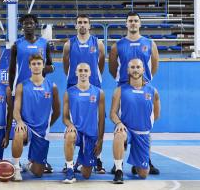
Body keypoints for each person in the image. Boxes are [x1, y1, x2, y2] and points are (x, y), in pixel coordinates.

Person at [109, 11, 160, 175]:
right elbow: (112, 68)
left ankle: (146, 160)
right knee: (122, 126)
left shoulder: (149, 43)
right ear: (126, 24)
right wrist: (123, 80)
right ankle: (118, 163)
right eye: (130, 20)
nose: (133, 23)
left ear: (140, 23)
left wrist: (145, 79)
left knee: (144, 126)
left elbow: (154, 66)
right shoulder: (118, 45)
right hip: (124, 87)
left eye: (135, 21)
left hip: (142, 86)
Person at [8, 14, 55, 173]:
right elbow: (12, 69)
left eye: (31, 23)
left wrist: (42, 69)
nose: (28, 26)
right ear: (22, 26)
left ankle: (38, 159)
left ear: (36, 25)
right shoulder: (17, 45)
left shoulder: (44, 43)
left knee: (41, 123)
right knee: (18, 127)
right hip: (21, 89)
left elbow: (51, 66)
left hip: (39, 89)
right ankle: (16, 163)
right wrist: (11, 88)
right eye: (25, 24)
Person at [62, 14, 106, 174]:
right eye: (79, 22)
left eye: (85, 22)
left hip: (93, 85)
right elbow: (66, 66)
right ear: (75, 26)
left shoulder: (98, 43)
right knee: (73, 122)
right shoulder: (69, 44)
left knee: (95, 122)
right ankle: (70, 161)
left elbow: (100, 64)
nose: (82, 25)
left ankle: (97, 158)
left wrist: (92, 78)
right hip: (75, 86)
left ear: (89, 25)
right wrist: (76, 79)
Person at [110, 58, 161, 184]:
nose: (135, 70)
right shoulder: (120, 90)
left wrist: (147, 129)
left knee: (143, 174)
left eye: (138, 67)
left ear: (143, 69)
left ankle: (136, 162)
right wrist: (119, 123)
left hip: (142, 134)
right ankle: (118, 170)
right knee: (119, 135)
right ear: (128, 70)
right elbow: (112, 113)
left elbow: (156, 114)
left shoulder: (153, 91)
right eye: (132, 67)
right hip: (127, 130)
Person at [11, 54, 60, 181]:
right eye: (33, 64)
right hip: (26, 127)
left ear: (43, 65)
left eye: (39, 63)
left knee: (38, 173)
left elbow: (57, 112)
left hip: (42, 132)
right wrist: (20, 121)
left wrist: (48, 125)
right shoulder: (22, 86)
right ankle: (16, 168)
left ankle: (30, 163)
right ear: (29, 66)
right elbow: (15, 110)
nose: (36, 66)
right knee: (18, 132)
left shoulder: (52, 87)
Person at [62, 63, 105, 183]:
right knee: (70, 135)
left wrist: (100, 140)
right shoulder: (69, 92)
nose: (83, 73)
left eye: (86, 70)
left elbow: (101, 119)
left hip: (91, 135)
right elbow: (64, 117)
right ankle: (70, 169)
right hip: (76, 132)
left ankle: (80, 162)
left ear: (90, 73)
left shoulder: (98, 92)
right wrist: (70, 125)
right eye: (80, 70)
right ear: (76, 73)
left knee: (86, 175)